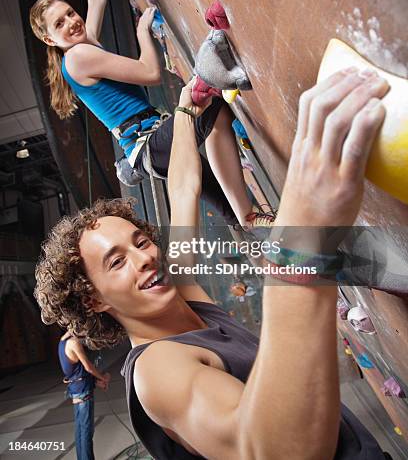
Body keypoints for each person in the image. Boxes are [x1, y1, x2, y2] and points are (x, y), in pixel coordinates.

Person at [35, 67, 391, 459]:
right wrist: (303, 234)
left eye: (141, 242)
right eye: (117, 262)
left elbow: (183, 187)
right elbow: (272, 453)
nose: (147, 258)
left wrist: (187, 110)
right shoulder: (157, 372)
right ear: (94, 300)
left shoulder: (177, 289)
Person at [28, 0, 274, 229]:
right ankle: (251, 217)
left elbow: (96, 2)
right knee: (213, 106)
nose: (71, 21)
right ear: (49, 41)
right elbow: (149, 73)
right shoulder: (79, 56)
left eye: (69, 12)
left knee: (227, 205)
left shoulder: (82, 46)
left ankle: (265, 240)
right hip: (151, 146)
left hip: (153, 150)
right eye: (59, 24)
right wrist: (142, 30)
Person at [58, 332, 110, 459]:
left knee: (80, 431)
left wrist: (96, 382)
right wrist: (103, 377)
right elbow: (88, 367)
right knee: (86, 432)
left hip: (77, 389)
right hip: (83, 391)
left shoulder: (63, 340)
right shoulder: (74, 343)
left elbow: (76, 371)